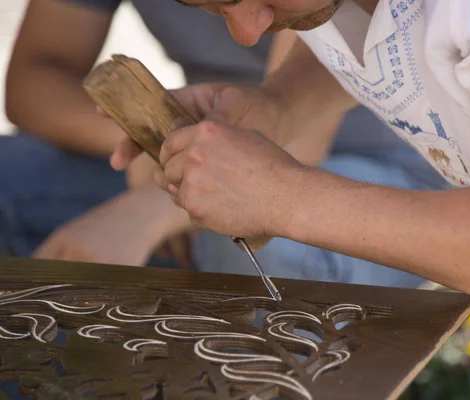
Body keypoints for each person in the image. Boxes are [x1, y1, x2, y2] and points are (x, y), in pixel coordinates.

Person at [107, 1, 470, 399]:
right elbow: (370, 35)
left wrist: (285, 196)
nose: (248, 31)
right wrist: (279, 107)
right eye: (215, 9)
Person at [2, 0, 446, 287]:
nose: (244, 30)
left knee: (241, 243)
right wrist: (152, 147)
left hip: (374, 168)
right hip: (214, 142)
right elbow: (32, 81)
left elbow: (299, 138)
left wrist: (153, 209)